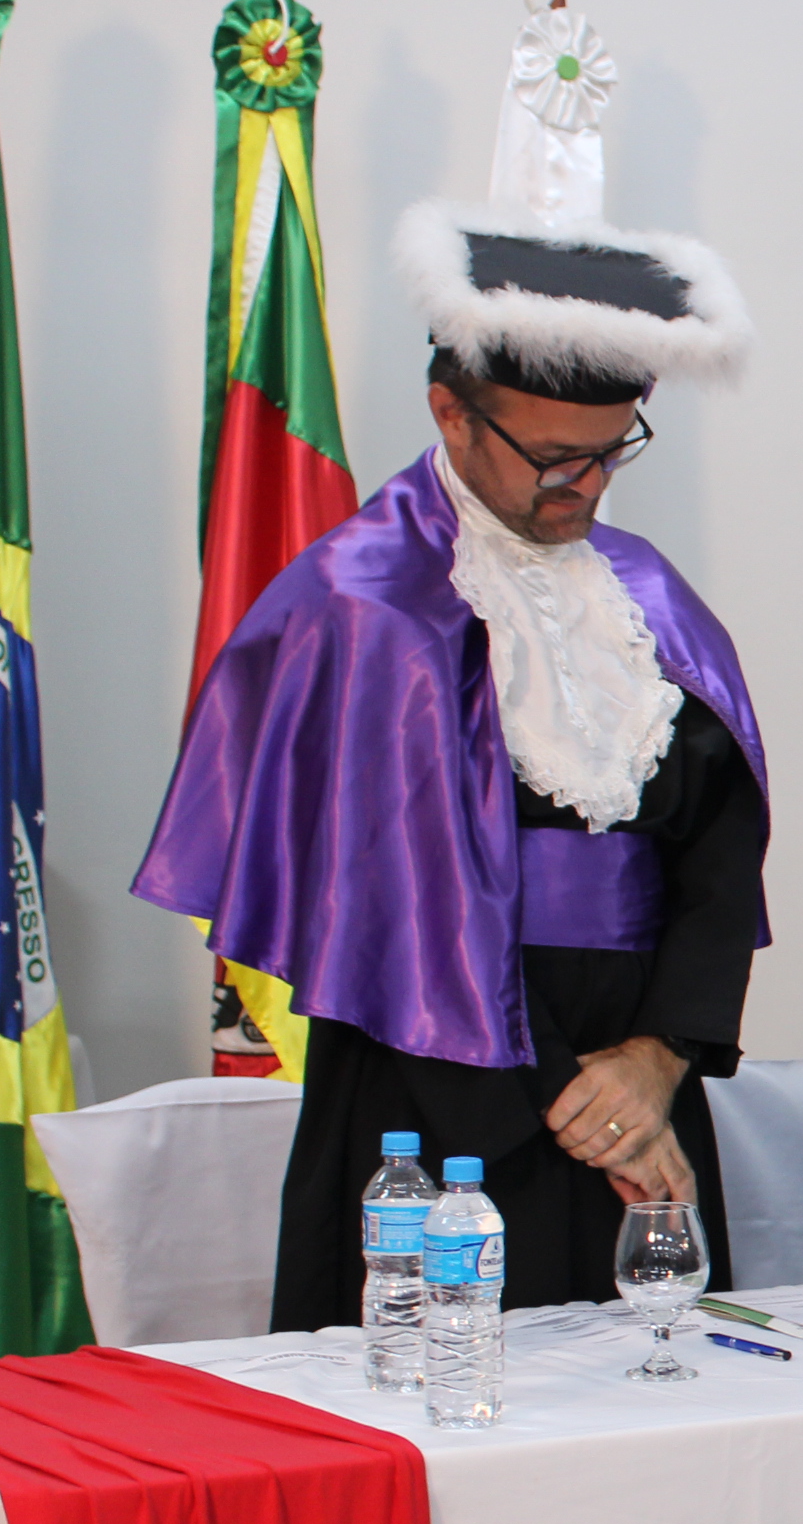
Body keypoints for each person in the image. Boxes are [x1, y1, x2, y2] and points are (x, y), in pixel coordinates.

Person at [137, 205, 767, 1327]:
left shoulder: (646, 597)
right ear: (451, 413)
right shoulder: (363, 605)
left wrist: (659, 1058)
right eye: (554, 457)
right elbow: (391, 908)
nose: (586, 486)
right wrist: (584, 1111)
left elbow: (719, 851)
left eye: (612, 451)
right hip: (438, 1106)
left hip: (636, 1084)